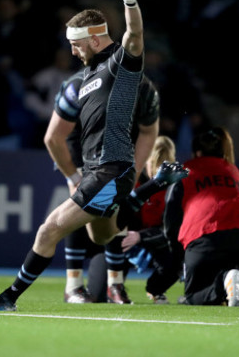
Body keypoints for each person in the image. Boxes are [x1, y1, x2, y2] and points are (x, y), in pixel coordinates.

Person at [0, 0, 188, 311]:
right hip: (97, 170)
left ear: (93, 39)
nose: (73, 52)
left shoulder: (121, 65)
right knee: (102, 235)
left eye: (76, 45)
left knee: (49, 230)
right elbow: (54, 137)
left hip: (111, 169)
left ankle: (10, 297)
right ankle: (151, 191)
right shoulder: (86, 76)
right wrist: (77, 176)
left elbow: (135, 33)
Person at [62, 72, 160, 305]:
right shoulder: (84, 86)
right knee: (73, 212)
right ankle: (73, 286)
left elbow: (141, 133)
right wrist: (75, 175)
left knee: (118, 210)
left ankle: (115, 285)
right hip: (86, 167)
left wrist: (133, 171)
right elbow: (68, 134)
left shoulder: (135, 92)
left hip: (118, 169)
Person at [164, 126, 239, 307]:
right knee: (226, 271)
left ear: (197, 152)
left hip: (206, 236)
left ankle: (223, 283)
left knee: (193, 296)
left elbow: (171, 217)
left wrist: (178, 253)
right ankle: (238, 283)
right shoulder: (235, 172)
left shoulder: (185, 169)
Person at [119, 135, 183, 304]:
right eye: (155, 163)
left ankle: (156, 289)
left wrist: (141, 237)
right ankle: (115, 286)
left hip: (157, 239)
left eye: (164, 163)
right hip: (128, 236)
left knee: (177, 257)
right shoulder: (132, 180)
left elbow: (173, 230)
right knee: (118, 239)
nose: (158, 171)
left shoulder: (177, 186)